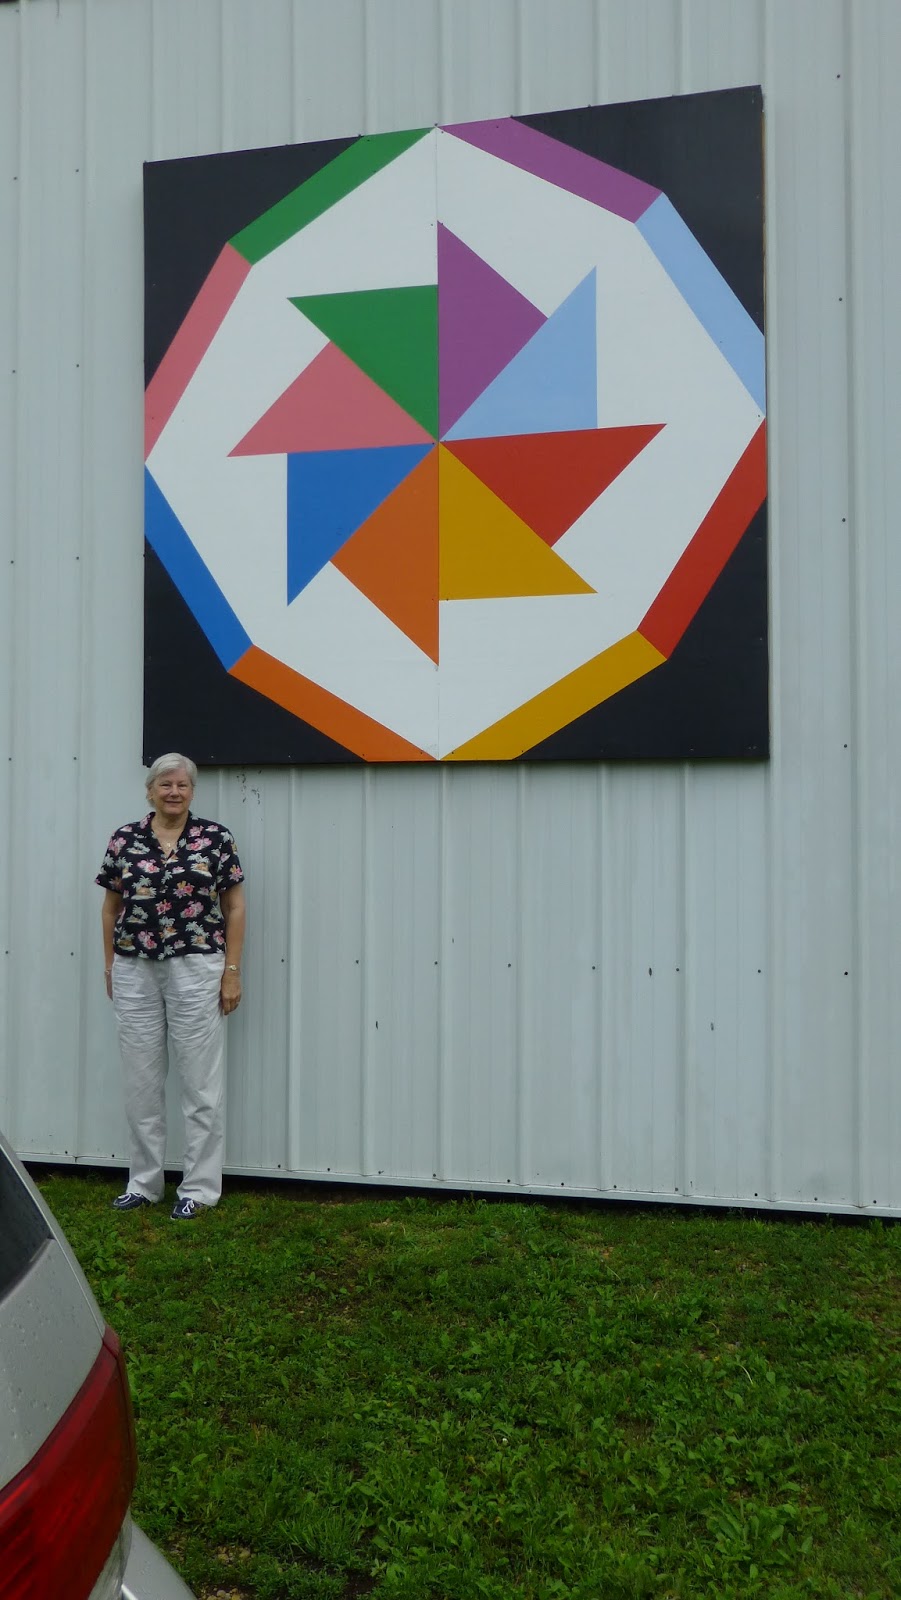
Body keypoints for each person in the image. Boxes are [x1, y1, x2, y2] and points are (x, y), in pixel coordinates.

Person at [96, 754, 246, 1221]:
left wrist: (232, 970)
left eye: (182, 785)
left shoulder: (215, 839)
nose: (174, 792)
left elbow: (235, 907)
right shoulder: (125, 839)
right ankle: (144, 1183)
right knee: (141, 1081)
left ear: (192, 791)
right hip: (134, 966)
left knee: (201, 1083)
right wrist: (109, 965)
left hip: (197, 965)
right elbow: (110, 907)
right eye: (165, 784)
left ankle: (199, 1188)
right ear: (150, 790)